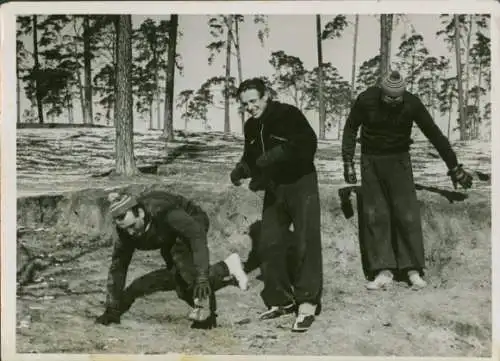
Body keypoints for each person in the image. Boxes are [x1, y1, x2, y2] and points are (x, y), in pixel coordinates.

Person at [341, 70, 473, 291]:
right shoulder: (366, 100)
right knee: (376, 215)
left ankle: (412, 269)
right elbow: (350, 128)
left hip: (399, 161)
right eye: (389, 97)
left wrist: (454, 167)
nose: (393, 101)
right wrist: (348, 162)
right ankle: (383, 270)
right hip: (370, 161)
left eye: (398, 97)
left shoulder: (411, 103)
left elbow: (434, 134)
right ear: (381, 91)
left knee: (407, 213)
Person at [230, 77, 323, 333]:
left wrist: (274, 155)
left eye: (253, 101)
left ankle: (307, 303)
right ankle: (281, 300)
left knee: (306, 240)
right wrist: (241, 170)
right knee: (270, 241)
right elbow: (252, 158)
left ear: (265, 96)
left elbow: (307, 144)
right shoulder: (250, 126)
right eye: (245, 103)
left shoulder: (288, 114)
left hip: (301, 182)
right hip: (274, 187)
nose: (250, 107)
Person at [95, 190, 249, 329]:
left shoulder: (163, 211)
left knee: (189, 272)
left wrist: (202, 276)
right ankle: (227, 266)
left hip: (192, 220)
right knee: (181, 288)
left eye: (133, 226)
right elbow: (118, 267)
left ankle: (206, 313)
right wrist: (112, 310)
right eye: (125, 229)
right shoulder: (125, 233)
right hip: (168, 235)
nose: (131, 233)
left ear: (140, 213)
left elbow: (196, 235)